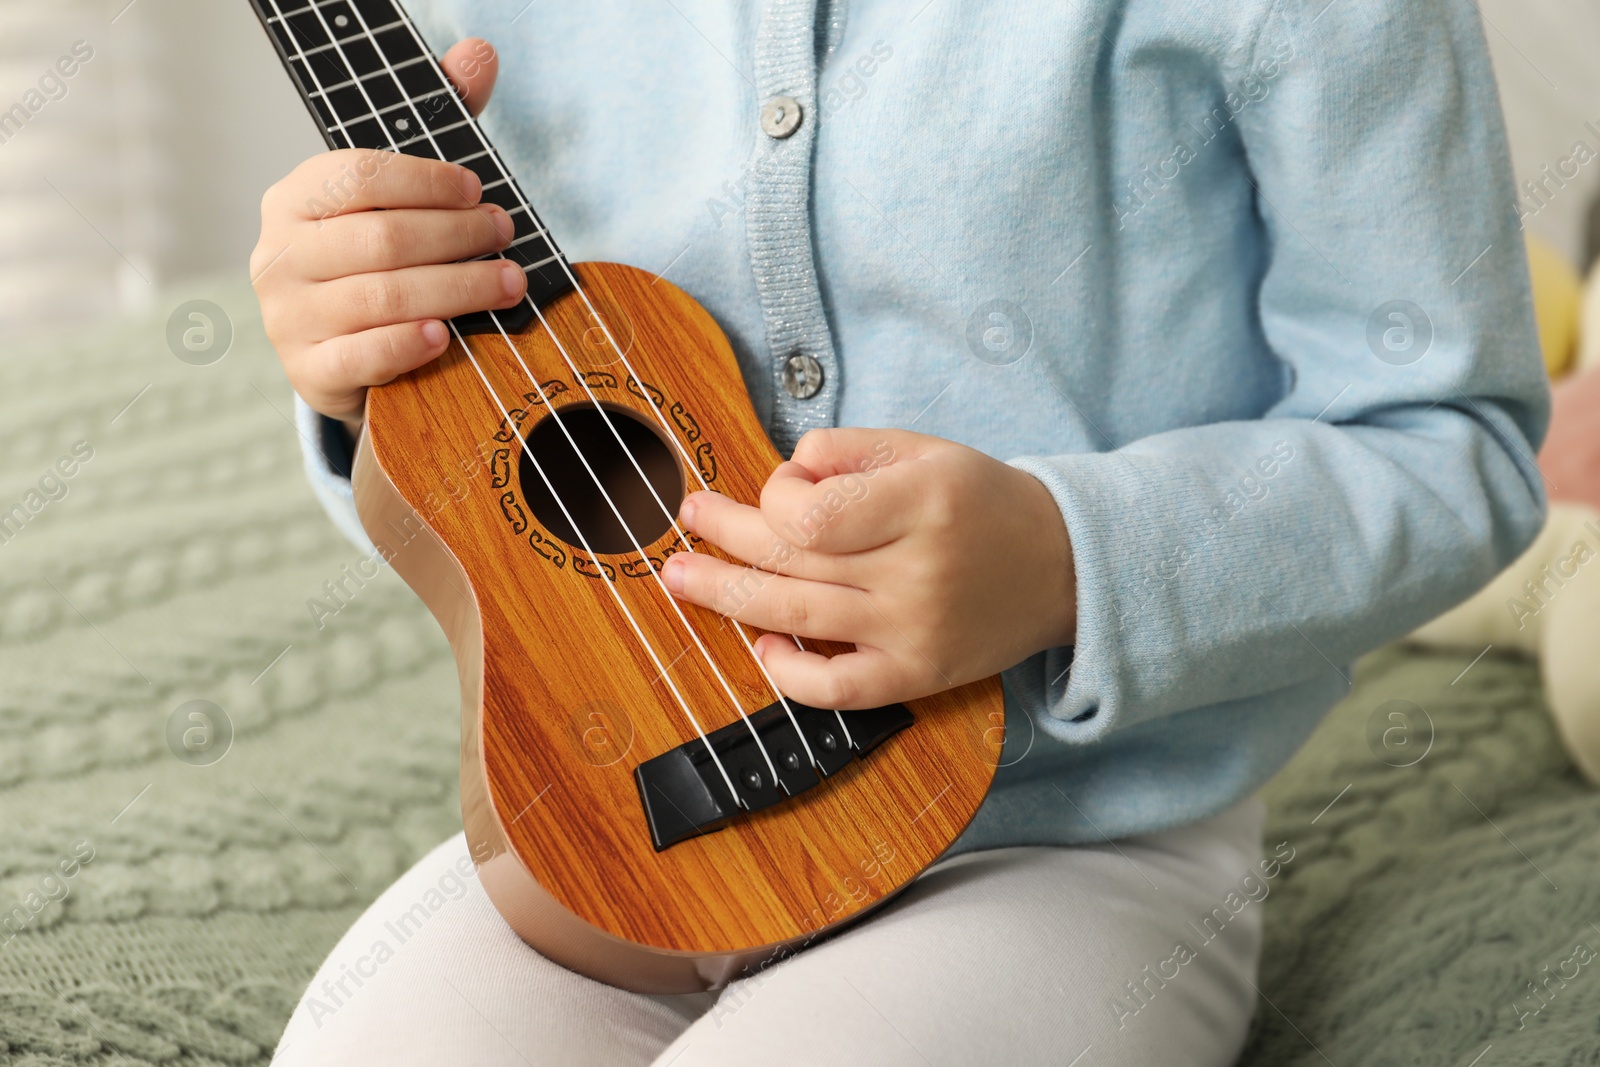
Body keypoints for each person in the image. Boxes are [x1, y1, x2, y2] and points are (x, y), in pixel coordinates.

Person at [254, 1, 1547, 1063]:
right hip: (614, 824)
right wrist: (361, 360)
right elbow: (505, 442)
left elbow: (1455, 450)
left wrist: (1062, 557)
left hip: (1075, 833)